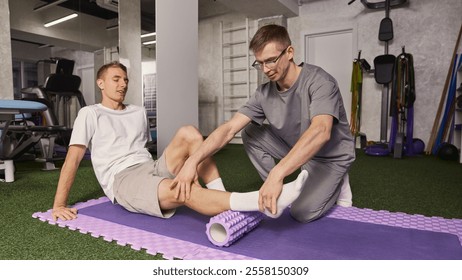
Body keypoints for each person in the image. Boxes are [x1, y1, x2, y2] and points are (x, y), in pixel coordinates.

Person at [51, 61, 308, 222]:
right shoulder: (90, 113)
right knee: (182, 190)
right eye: (116, 79)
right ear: (101, 83)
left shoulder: (137, 111)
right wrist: (59, 205)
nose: (123, 84)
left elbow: (142, 150)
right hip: (124, 179)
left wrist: (186, 168)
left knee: (188, 131)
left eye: (125, 79)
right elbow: (73, 160)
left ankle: (218, 196)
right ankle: (261, 201)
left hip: (149, 166)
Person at [173, 24, 355, 223]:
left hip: (329, 157)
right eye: (260, 63)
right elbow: (228, 129)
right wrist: (192, 162)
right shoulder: (263, 93)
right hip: (298, 149)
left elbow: (321, 131)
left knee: (301, 213)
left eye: (271, 60)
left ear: (290, 52)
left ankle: (339, 180)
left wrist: (277, 173)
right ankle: (280, 186)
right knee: (250, 131)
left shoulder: (320, 81)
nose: (265, 69)